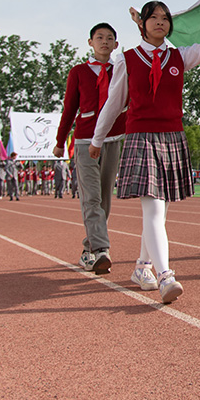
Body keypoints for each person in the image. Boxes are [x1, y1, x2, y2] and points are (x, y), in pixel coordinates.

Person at [91, 0, 200, 304]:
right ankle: (166, 275)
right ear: (142, 23)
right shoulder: (128, 59)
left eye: (165, 18)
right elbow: (114, 103)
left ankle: (142, 266)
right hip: (141, 137)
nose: (160, 22)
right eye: (153, 17)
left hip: (172, 137)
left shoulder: (179, 57)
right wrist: (98, 138)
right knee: (153, 212)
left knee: (160, 214)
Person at [55, 22, 127, 275]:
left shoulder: (122, 69)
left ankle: (89, 250)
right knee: (91, 197)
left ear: (116, 45)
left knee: (105, 198)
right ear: (90, 43)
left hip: (113, 138)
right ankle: (101, 250)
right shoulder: (78, 72)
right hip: (85, 140)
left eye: (109, 38)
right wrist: (60, 140)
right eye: (99, 37)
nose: (104, 42)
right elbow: (69, 107)